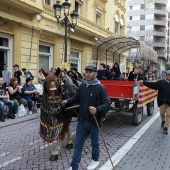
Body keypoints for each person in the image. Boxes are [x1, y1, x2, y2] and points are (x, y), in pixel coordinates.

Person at [61, 65, 110, 170]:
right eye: (86, 72)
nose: (88, 74)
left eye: (90, 72)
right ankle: (74, 167)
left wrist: (97, 109)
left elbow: (107, 104)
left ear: (95, 73)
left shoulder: (100, 88)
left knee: (95, 143)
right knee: (78, 144)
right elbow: (76, 97)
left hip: (94, 121)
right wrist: (67, 101)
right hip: (82, 121)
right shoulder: (83, 86)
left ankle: (95, 160)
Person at [140, 70, 170, 134]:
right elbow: (153, 85)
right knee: (162, 114)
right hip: (162, 101)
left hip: (169, 103)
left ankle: (166, 127)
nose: (169, 76)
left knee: (168, 115)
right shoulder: (161, 82)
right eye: (168, 75)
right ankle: (163, 121)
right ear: (166, 75)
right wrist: (144, 82)